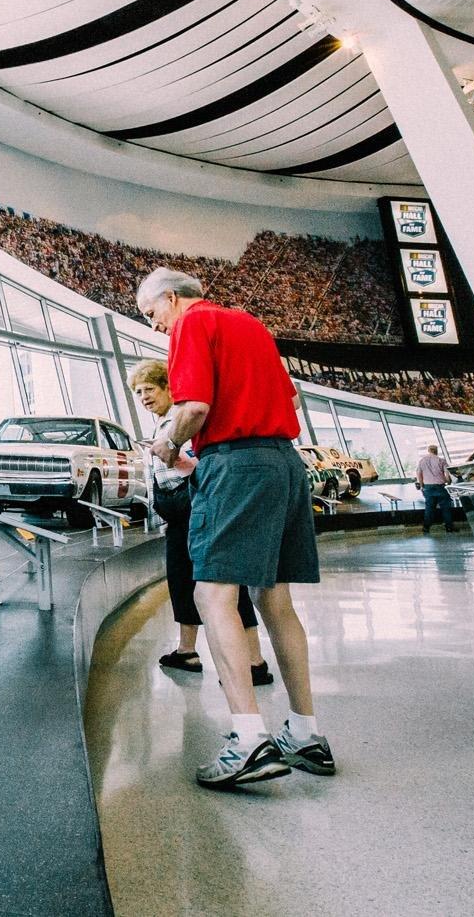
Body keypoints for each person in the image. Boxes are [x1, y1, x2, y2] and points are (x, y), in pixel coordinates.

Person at [138, 266, 333, 790]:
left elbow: (195, 407)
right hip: (284, 463)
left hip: (235, 464)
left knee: (212, 595)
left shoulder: (191, 326)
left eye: (152, 313)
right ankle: (305, 732)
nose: (155, 326)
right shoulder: (249, 324)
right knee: (275, 600)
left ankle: (248, 739)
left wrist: (168, 444)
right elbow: (290, 400)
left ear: (173, 300)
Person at [130, 360, 272, 686]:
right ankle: (186, 650)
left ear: (168, 387)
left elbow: (201, 465)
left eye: (149, 389)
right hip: (178, 513)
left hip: (196, 504)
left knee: (223, 580)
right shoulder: (162, 424)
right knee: (181, 580)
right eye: (138, 392)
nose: (144, 397)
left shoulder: (184, 421)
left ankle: (253, 661)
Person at [413, 444, 458, 533]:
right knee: (446, 508)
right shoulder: (441, 460)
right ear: (436, 451)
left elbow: (419, 474)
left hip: (428, 487)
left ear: (428, 451)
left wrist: (422, 486)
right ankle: (449, 527)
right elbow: (447, 474)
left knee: (429, 508)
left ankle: (426, 528)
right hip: (441, 486)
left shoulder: (422, 460)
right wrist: (448, 483)